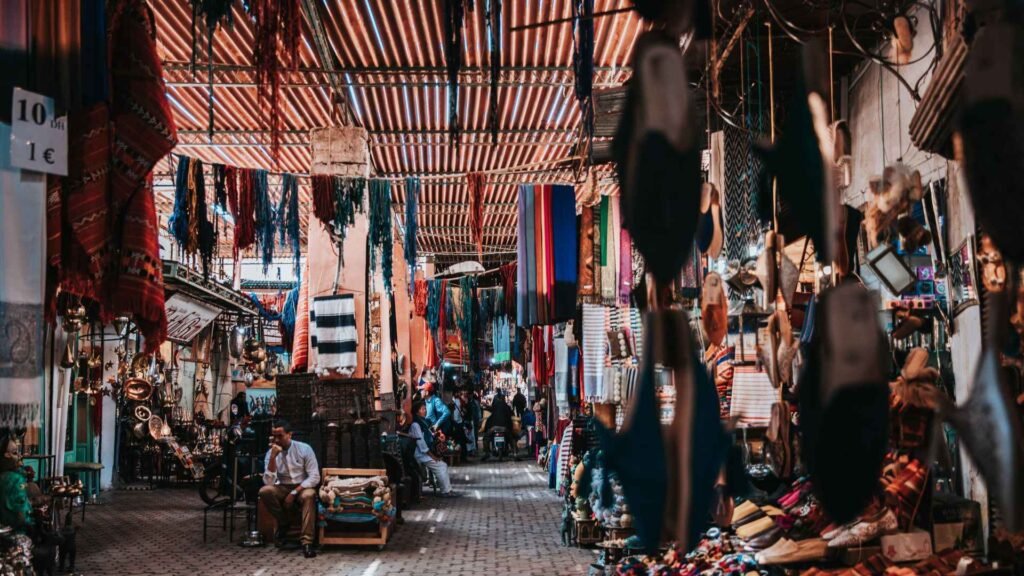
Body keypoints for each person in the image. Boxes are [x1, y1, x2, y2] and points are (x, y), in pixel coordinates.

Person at [259, 420, 321, 558]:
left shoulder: (304, 449)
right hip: (282, 486)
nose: (276, 440)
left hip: (302, 486)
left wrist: (294, 492)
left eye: (280, 436)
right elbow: (268, 482)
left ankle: (307, 542)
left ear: (289, 435)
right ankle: (284, 522)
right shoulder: (271, 453)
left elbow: (315, 477)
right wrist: (273, 458)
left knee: (309, 496)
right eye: (274, 436)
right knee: (265, 492)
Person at [410, 401, 458, 498]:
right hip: (420, 454)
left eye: (425, 408)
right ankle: (446, 491)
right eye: (422, 409)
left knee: (442, 465)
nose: (425, 410)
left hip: (425, 453)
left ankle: (447, 490)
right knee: (441, 466)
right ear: (417, 412)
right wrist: (433, 456)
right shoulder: (416, 424)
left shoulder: (423, 422)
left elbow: (428, 436)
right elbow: (422, 444)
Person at [482, 392, 516, 461]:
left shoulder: (495, 406)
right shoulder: (506, 406)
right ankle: (515, 453)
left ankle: (487, 453)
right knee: (511, 438)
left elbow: (489, 410)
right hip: (505, 428)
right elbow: (512, 414)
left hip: (494, 427)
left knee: (485, 438)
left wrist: (485, 407)